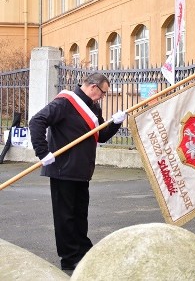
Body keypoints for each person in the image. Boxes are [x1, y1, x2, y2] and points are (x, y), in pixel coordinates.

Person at [30, 73, 127, 271]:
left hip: (81, 170)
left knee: (80, 214)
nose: (103, 97)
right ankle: (69, 257)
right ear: (93, 87)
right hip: (62, 169)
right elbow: (36, 121)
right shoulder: (65, 103)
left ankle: (82, 250)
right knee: (65, 216)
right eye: (103, 92)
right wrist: (42, 152)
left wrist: (115, 123)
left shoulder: (93, 108)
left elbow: (100, 136)